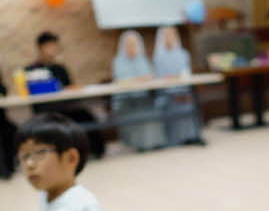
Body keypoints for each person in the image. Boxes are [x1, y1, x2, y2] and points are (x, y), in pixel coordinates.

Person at [25, 31, 105, 159]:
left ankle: (95, 152)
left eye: (55, 46)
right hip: (45, 110)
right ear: (41, 48)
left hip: (65, 107)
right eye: (50, 46)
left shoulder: (60, 68)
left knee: (85, 115)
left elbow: (69, 87)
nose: (53, 49)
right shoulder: (31, 69)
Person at [112, 30, 164, 152]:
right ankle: (138, 144)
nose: (131, 47)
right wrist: (140, 79)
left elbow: (151, 76)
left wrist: (144, 79)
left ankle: (154, 142)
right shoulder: (118, 61)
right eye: (129, 44)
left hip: (143, 96)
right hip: (126, 99)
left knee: (150, 107)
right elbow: (120, 81)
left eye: (134, 44)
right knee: (135, 111)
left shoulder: (143, 60)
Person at [152, 25, 201, 146]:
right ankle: (176, 139)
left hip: (184, 90)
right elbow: (160, 77)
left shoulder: (183, 54)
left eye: (172, 35)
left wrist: (178, 78)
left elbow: (186, 73)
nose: (169, 38)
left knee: (189, 100)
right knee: (174, 102)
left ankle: (192, 136)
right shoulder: (158, 57)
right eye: (166, 35)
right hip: (167, 93)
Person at [0, 70, 17, 177]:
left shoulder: (2, 87)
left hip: (3, 122)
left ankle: (10, 166)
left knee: (12, 129)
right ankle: (5, 169)